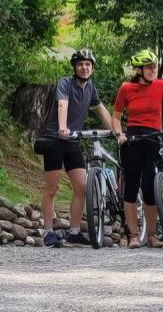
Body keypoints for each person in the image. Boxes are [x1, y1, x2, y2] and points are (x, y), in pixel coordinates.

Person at [36, 48, 115, 247]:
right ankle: (47, 232)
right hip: (54, 139)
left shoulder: (90, 88)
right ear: (75, 67)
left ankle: (74, 231)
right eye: (80, 64)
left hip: (73, 141)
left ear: (92, 68)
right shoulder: (65, 83)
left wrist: (115, 131)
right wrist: (62, 128)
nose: (84, 67)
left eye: (88, 64)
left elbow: (101, 110)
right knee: (52, 187)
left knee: (81, 187)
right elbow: (62, 104)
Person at [111, 49, 163, 249]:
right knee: (130, 188)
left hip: (154, 139)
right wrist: (120, 134)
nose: (153, 70)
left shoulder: (161, 86)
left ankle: (152, 236)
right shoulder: (126, 88)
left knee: (149, 188)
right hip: (133, 140)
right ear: (139, 70)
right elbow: (116, 116)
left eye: (154, 66)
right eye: (148, 67)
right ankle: (134, 235)